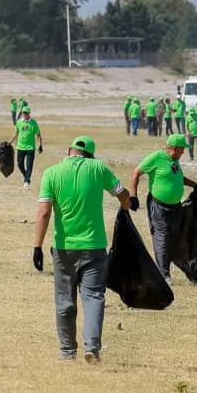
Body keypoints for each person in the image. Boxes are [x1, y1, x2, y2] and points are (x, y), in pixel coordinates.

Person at [32, 135, 130, 363]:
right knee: (94, 297)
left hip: (64, 249)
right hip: (94, 247)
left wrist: (37, 246)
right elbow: (122, 193)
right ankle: (92, 347)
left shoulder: (52, 173)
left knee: (65, 301)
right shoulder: (98, 168)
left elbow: (44, 212)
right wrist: (126, 206)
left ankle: (67, 352)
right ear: (91, 155)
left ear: (69, 151)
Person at [129, 134, 197, 284]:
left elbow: (178, 177)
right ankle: (164, 274)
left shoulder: (174, 161)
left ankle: (176, 270)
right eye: (182, 150)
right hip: (158, 206)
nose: (183, 153)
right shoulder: (156, 158)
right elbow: (136, 173)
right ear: (174, 148)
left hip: (175, 206)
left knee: (174, 237)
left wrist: (195, 185)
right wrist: (133, 196)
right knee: (162, 236)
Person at [9, 106, 43, 188]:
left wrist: (40, 145)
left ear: (29, 113)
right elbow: (16, 133)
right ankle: (26, 176)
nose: (24, 114)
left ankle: (27, 181)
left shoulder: (33, 123)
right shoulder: (19, 122)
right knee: (20, 164)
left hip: (30, 148)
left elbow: (38, 135)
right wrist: (9, 143)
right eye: (23, 112)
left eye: (26, 113)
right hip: (20, 147)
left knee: (29, 165)